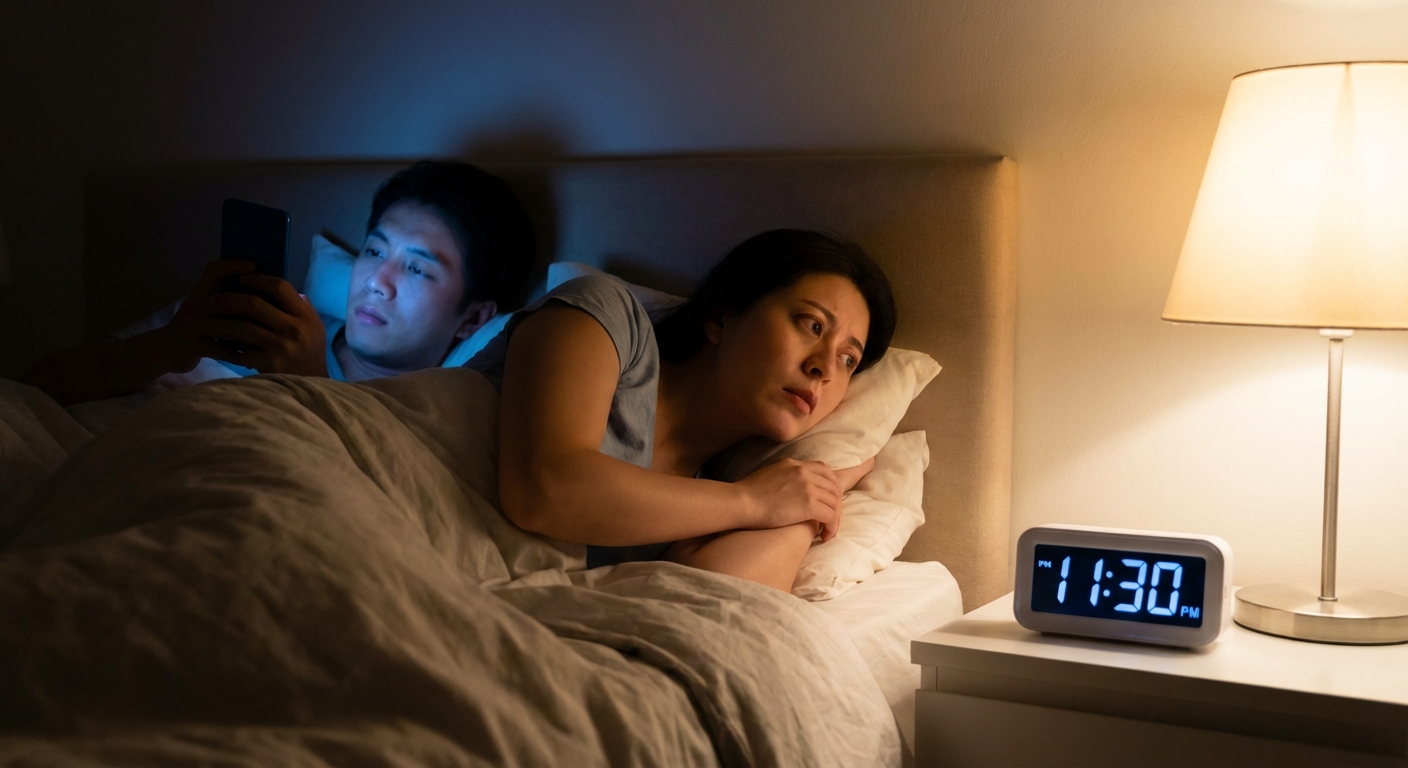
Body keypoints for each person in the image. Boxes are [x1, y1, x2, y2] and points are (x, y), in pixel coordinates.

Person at [467, 229, 897, 591]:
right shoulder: (604, 319)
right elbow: (544, 488)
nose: (823, 367)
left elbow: (709, 606)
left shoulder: (706, 501)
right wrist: (753, 501)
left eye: (848, 360)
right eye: (812, 325)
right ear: (721, 318)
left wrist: (814, 497)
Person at [23, 161, 535, 405]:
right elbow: (36, 390)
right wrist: (168, 346)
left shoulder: (444, 406)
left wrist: (309, 383)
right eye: (375, 249)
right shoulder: (252, 314)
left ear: (472, 317)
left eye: (417, 268)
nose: (378, 280)